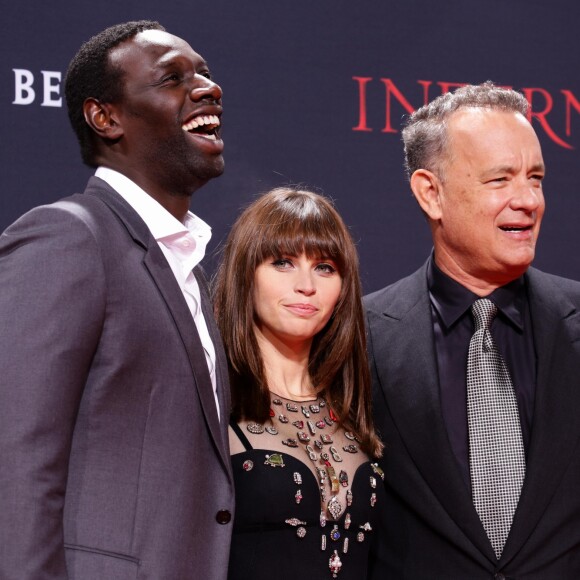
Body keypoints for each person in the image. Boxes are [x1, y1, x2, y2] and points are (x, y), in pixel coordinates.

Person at [0, 21, 234, 579]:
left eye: (204, 72)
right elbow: (16, 459)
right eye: (173, 78)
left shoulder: (190, 271)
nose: (207, 87)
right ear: (105, 118)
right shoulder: (69, 237)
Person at [365, 82, 580, 578]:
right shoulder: (359, 336)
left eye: (535, 178)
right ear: (431, 193)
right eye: (500, 179)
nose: (527, 200)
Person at [213, 187, 384, 579]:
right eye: (283, 262)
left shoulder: (359, 409)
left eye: (325, 267)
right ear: (246, 274)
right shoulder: (210, 404)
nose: (307, 285)